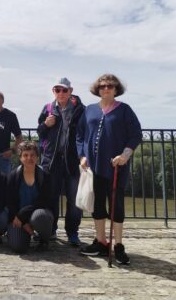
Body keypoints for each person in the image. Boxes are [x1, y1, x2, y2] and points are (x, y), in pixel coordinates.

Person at [77, 74, 142, 265]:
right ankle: (101, 242)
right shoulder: (89, 110)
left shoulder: (124, 110)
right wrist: (82, 156)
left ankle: (119, 246)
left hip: (116, 168)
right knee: (97, 206)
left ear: (116, 89)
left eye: (110, 86)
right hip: (94, 168)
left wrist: (125, 155)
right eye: (103, 86)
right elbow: (80, 136)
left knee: (116, 206)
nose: (106, 89)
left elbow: (136, 134)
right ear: (97, 89)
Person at [37, 77, 85, 246]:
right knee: (51, 198)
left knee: (74, 200)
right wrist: (45, 124)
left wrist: (84, 155)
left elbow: (86, 134)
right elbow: (40, 133)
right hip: (52, 161)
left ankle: (72, 232)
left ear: (71, 91)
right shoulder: (48, 108)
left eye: (64, 90)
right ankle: (51, 230)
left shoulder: (80, 110)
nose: (61, 93)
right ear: (53, 91)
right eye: (58, 90)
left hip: (73, 161)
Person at [6, 141, 54, 253]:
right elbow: (9, 201)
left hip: (37, 213)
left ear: (37, 157)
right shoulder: (13, 176)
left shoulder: (44, 175)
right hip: (18, 217)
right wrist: (22, 222)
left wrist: (23, 213)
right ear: (20, 158)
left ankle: (44, 240)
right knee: (18, 247)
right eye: (25, 155)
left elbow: (45, 200)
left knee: (40, 216)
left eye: (32, 155)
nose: (29, 158)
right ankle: (24, 234)